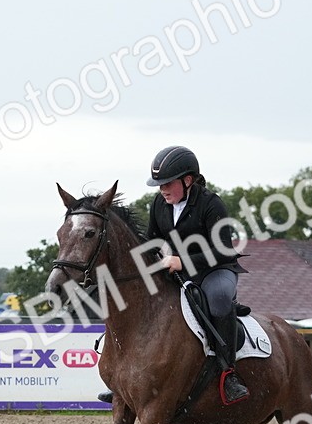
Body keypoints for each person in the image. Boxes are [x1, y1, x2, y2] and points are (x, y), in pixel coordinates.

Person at [98, 146, 249, 405]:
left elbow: (224, 250)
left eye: (167, 184)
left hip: (215, 271)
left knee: (220, 300)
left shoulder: (211, 203)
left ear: (187, 181)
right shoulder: (160, 203)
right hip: (175, 269)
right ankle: (125, 381)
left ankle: (228, 372)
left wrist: (183, 261)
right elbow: (154, 238)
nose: (162, 190)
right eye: (159, 185)